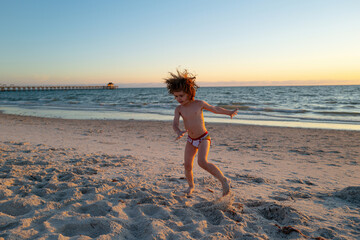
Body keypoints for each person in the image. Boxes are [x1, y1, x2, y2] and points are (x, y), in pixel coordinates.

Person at [165, 69, 238, 196]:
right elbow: (175, 123)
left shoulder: (199, 104)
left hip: (204, 138)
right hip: (191, 140)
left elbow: (215, 109)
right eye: (176, 96)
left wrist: (229, 112)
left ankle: (223, 180)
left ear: (189, 93)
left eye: (181, 96)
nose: (178, 99)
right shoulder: (179, 109)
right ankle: (191, 186)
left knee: (202, 162)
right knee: (187, 165)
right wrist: (178, 131)